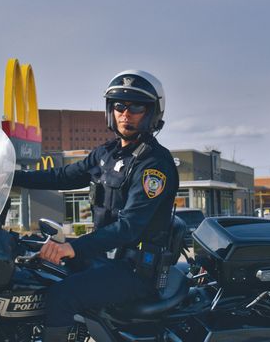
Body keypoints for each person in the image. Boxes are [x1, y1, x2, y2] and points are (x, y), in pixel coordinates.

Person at [12, 69, 179, 341]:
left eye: (136, 106)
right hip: (102, 260)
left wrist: (71, 247)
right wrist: (11, 178)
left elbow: (128, 228)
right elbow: (64, 176)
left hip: (134, 270)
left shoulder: (154, 165)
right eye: (119, 106)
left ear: (151, 113)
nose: (125, 113)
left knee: (62, 295)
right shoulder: (107, 154)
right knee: (32, 275)